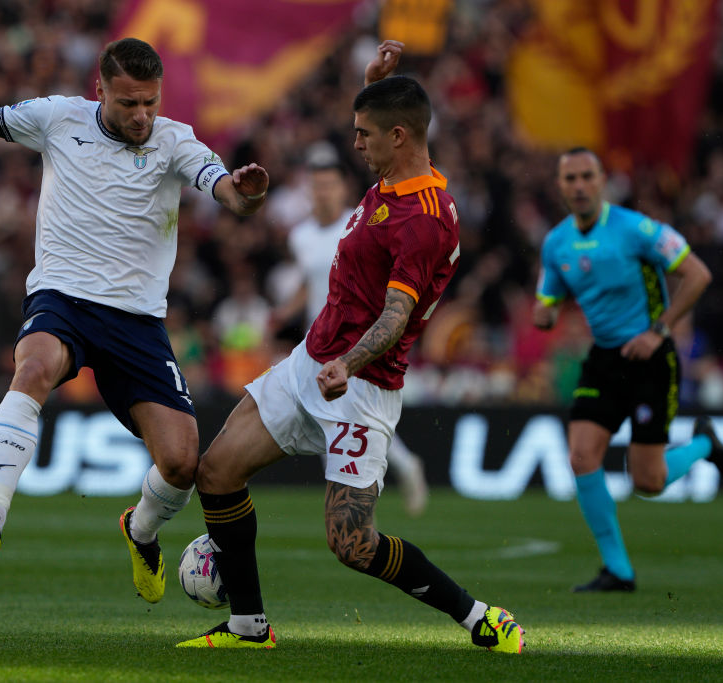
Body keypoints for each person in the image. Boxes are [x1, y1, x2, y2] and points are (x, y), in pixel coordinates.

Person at [0, 37, 269, 604]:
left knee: (183, 464)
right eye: (129, 103)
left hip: (137, 320)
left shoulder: (175, 141)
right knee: (33, 367)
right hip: (63, 297)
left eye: (150, 103)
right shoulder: (58, 118)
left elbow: (229, 193)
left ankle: (140, 531)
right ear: (100, 91)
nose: (141, 116)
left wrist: (249, 194)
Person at [176, 41, 524, 652]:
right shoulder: (392, 171)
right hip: (311, 360)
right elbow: (390, 115)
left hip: (359, 387)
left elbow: (396, 316)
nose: (353, 143)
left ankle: (478, 618)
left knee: (353, 545)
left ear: (398, 136)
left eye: (364, 134)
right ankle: (248, 627)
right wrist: (370, 82)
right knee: (217, 471)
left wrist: (348, 363)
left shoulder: (426, 221)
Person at [533, 147, 723, 592]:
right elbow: (547, 296)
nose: (580, 186)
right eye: (571, 179)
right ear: (560, 186)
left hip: (651, 358)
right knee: (581, 456)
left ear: (603, 180)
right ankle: (618, 570)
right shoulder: (556, 243)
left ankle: (704, 443)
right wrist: (544, 313)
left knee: (648, 480)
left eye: (588, 177)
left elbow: (697, 274)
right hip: (604, 359)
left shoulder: (637, 230)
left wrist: (659, 331)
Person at [274, 150, 430, 516]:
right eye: (316, 185)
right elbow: (309, 283)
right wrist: (281, 313)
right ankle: (388, 477)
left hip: (353, 341)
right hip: (318, 341)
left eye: (329, 184)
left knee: (348, 419)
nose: (322, 192)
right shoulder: (301, 236)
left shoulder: (358, 226)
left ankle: (372, 491)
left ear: (342, 187)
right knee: (334, 421)